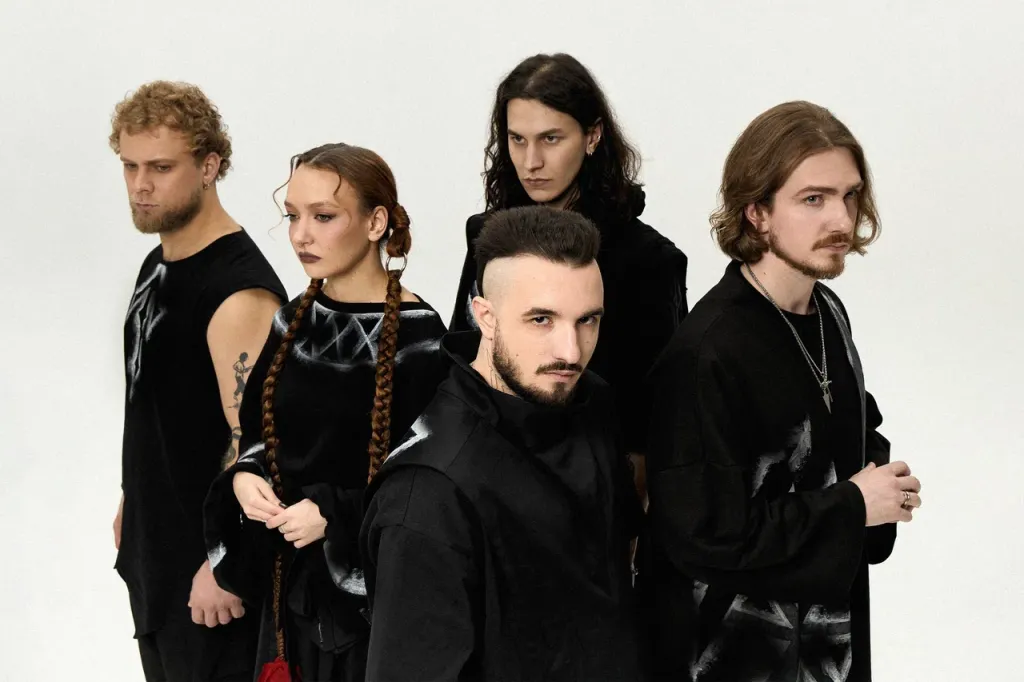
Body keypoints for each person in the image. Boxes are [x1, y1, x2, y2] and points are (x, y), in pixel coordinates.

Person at [643, 101, 923, 682]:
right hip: (732, 657)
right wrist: (853, 505)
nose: (840, 219)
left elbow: (853, 423)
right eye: (813, 199)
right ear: (757, 212)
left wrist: (882, 482)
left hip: (830, 647)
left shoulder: (828, 311)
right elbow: (704, 537)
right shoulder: (706, 352)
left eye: (849, 195)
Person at [360, 205, 647, 681]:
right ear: (485, 317)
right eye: (541, 319)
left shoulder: (589, 398)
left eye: (587, 320)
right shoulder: (428, 494)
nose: (570, 352)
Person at [202, 143, 449, 682]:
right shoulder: (291, 321)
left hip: (374, 613)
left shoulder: (423, 339)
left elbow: (430, 482)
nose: (300, 236)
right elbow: (258, 432)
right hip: (287, 602)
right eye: (293, 216)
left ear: (376, 222)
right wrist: (246, 477)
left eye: (323, 216)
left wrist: (337, 515)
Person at [449, 52, 688, 502]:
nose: (531, 161)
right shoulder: (485, 234)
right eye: (517, 139)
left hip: (591, 488)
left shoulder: (647, 259)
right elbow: (463, 359)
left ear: (592, 135)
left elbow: (654, 416)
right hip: (482, 472)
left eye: (551, 138)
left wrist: (625, 523)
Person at [110, 80, 287, 681]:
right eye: (130, 166)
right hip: (156, 558)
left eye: (161, 167)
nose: (140, 184)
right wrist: (134, 500)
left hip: (210, 583)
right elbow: (160, 404)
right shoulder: (157, 264)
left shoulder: (238, 292)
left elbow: (261, 443)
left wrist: (226, 561)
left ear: (209, 166)